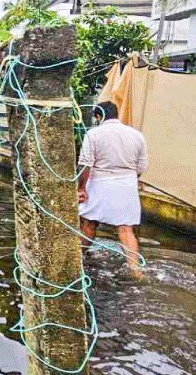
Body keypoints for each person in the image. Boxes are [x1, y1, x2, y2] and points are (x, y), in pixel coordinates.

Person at [77, 101, 148, 274]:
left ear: (99, 116)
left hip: (99, 183)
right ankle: (135, 269)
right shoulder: (137, 135)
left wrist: (81, 188)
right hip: (127, 184)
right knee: (126, 229)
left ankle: (77, 259)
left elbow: (86, 165)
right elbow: (142, 166)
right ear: (117, 114)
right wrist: (130, 180)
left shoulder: (93, 135)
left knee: (89, 224)